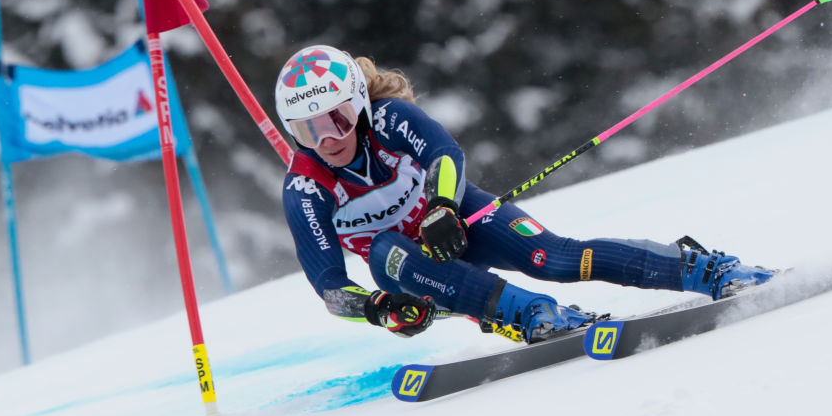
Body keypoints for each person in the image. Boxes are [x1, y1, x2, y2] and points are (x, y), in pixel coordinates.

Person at [278, 45, 775, 344]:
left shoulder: (388, 119)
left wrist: (444, 206)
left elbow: (444, 155)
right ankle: (528, 312)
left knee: (553, 257)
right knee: (386, 250)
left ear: (360, 104)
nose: (329, 140)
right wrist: (379, 309)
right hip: (412, 268)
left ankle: (702, 269)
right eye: (308, 130)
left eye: (338, 119)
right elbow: (331, 288)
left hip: (456, 221)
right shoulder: (305, 187)